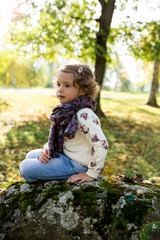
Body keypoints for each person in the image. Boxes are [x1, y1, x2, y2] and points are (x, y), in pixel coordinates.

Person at [20, 63, 108, 183]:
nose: (60, 89)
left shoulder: (84, 115)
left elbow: (101, 144)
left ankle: (60, 173)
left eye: (67, 85)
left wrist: (91, 174)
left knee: (25, 168)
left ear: (83, 90)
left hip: (77, 164)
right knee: (31, 155)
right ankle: (53, 167)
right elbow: (60, 137)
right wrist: (47, 148)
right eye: (58, 84)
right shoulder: (65, 110)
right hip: (66, 155)